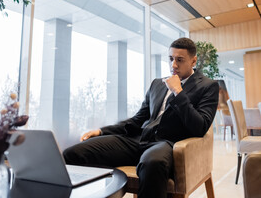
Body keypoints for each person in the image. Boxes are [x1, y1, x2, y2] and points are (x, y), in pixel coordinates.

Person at [63, 37, 219, 198]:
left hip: (167, 143)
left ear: (193, 61)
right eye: (171, 59)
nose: (173, 65)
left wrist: (178, 92)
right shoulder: (158, 84)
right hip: (138, 139)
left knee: (152, 163)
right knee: (73, 153)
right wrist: (102, 131)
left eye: (179, 60)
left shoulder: (208, 86)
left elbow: (200, 127)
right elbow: (137, 119)